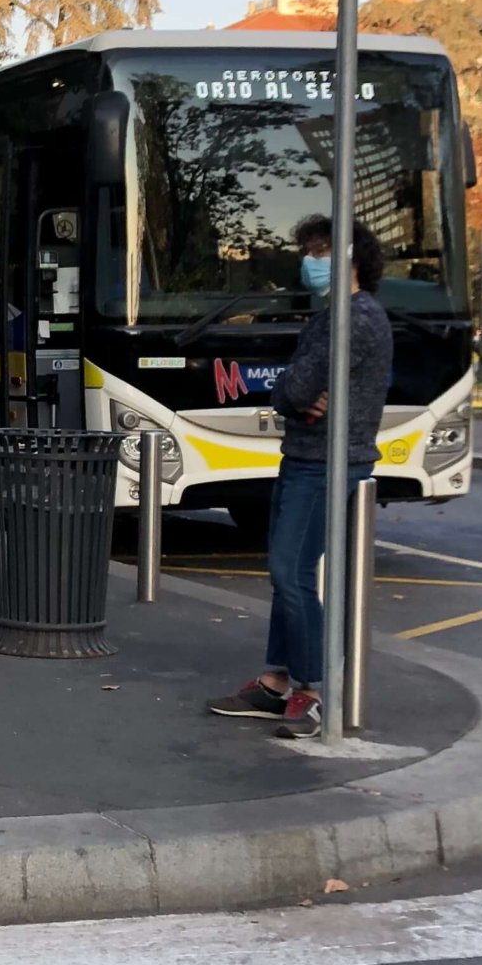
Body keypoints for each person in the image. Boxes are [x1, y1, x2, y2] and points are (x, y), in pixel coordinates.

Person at [207, 216, 393, 735]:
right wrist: (295, 394)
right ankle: (275, 682)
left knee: (291, 573)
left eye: (320, 251)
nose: (310, 261)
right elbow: (294, 391)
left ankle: (311, 690)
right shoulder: (336, 315)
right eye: (309, 250)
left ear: (351, 257)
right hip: (309, 455)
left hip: (326, 461)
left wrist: (295, 393)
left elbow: (294, 389)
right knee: (289, 575)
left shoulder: (352, 319)